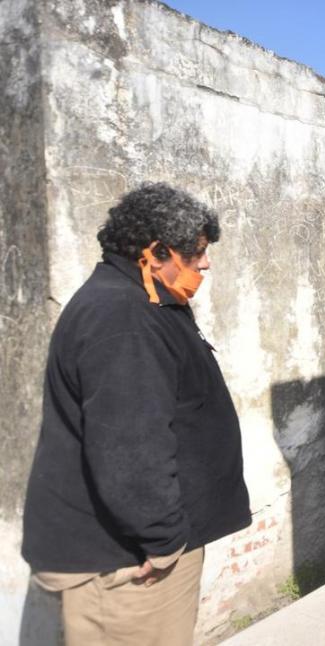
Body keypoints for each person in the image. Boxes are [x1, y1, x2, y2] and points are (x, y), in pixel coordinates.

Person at [21, 182, 251, 646]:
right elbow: (130, 446)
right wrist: (163, 540)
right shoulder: (122, 317)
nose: (206, 263)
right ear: (156, 251)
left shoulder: (140, 302)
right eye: (197, 252)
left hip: (135, 552)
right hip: (128, 564)